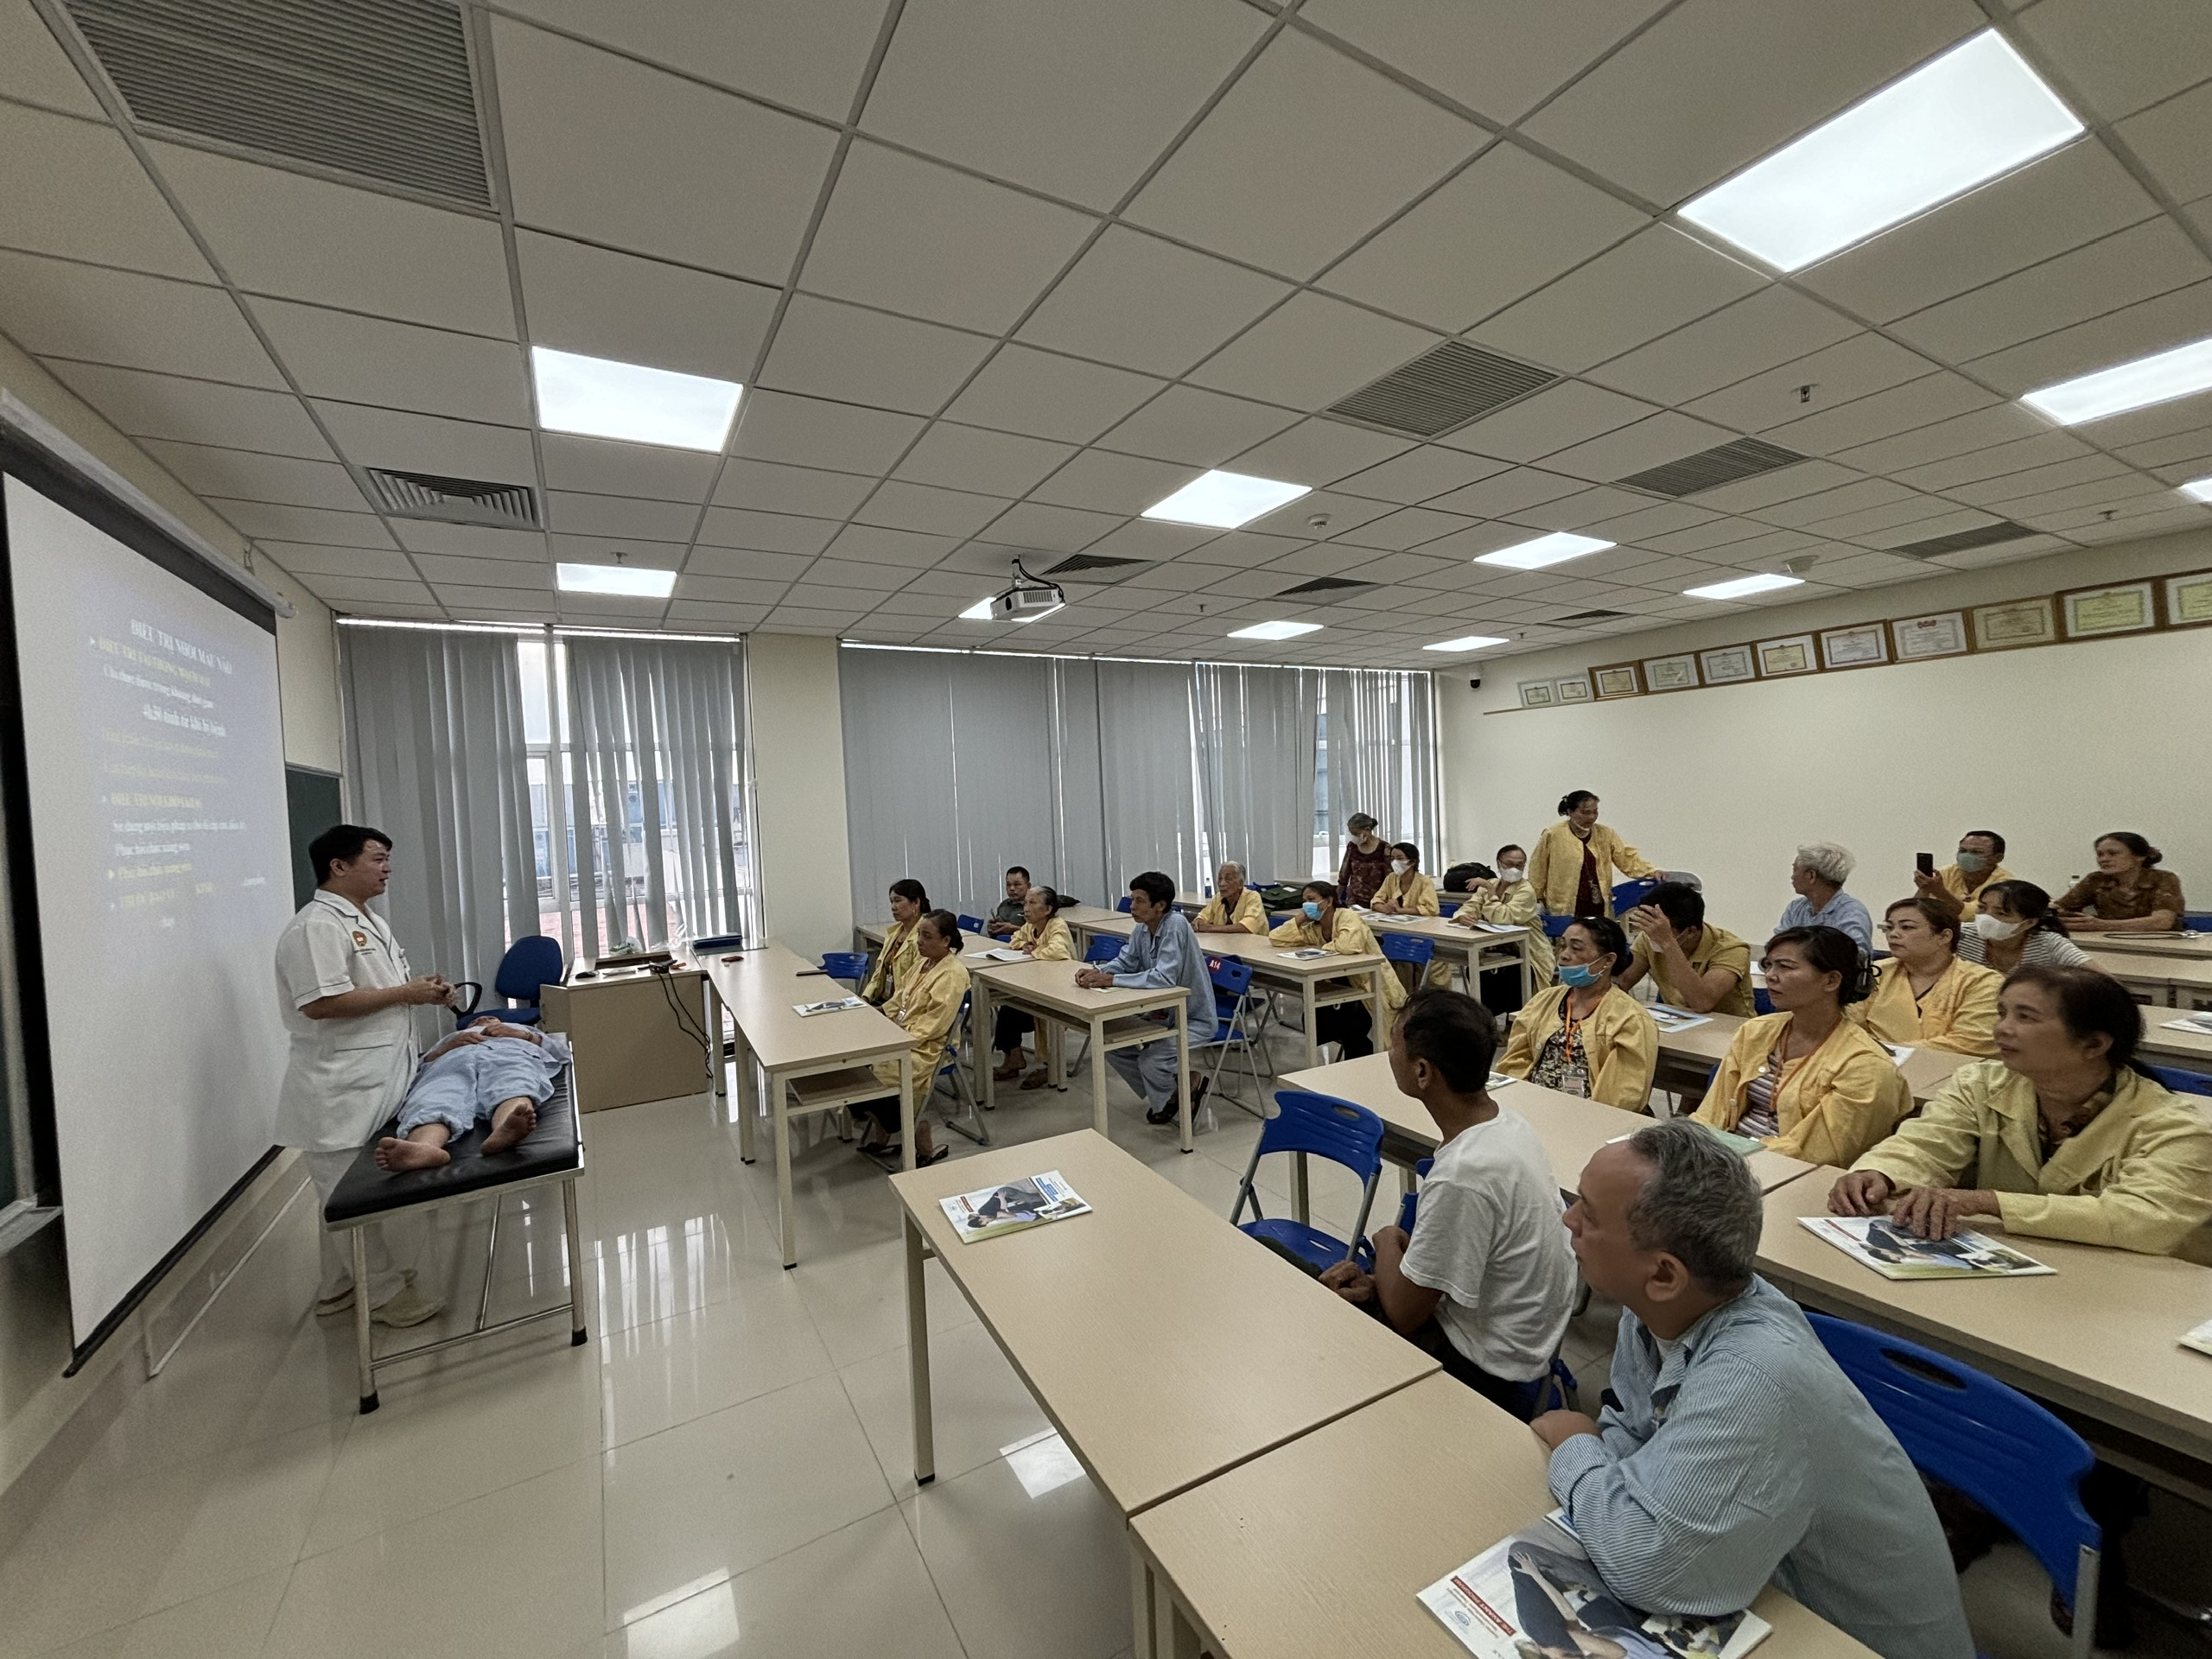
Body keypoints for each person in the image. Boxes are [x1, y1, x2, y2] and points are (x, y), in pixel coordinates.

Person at [1532, 1121, 1975, 1659]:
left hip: (1849, 1637)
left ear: (1665, 1275)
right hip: (1769, 1589)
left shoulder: (1752, 1375)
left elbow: (1648, 1567)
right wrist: (1610, 1470)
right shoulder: (1658, 1309)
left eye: (1589, 1214)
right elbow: (1634, 1432)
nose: (1569, 1218)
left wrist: (1577, 1447)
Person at [1832, 965, 2212, 1257]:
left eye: (2025, 1017)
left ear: (2094, 1044)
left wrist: (1987, 1202)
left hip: (2136, 1285)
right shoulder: (1981, 1083)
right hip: (2027, 1260)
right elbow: (1925, 1144)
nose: (2001, 1029)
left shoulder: (2173, 1127)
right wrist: (1880, 1172)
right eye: (2002, 1013)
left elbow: (2142, 1219)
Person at [1316, 989, 1577, 1417]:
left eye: (1394, 1044)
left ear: (1422, 1071)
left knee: (1314, 1303)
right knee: (1350, 1285)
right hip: (1520, 1338)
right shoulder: (1507, 1124)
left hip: (1485, 1366)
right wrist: (1389, 1277)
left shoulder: (1464, 1174)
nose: (1388, 1053)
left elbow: (1405, 1316)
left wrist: (1387, 1242)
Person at [274, 825, 449, 1327]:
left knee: (339, 1193)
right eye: (377, 858)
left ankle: (338, 1287)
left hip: (375, 1078)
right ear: (339, 866)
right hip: (339, 1087)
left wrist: (420, 989)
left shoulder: (366, 919)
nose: (387, 868)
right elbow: (320, 1003)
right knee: (347, 1196)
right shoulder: (316, 927)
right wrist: (406, 994)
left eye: (388, 858)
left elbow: (376, 988)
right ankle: (384, 1296)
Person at [1693, 926, 1908, 1166]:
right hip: (1725, 1159)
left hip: (1790, 1170)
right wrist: (1693, 1146)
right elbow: (1712, 1114)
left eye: (1785, 967)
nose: (1771, 976)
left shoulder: (1866, 1065)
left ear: (1831, 980)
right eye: (1768, 965)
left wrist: (1732, 1154)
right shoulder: (1756, 1031)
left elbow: (1821, 1152)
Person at [1077, 871, 1214, 1126]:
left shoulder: (1175, 925)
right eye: (1132, 899)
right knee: (1111, 1044)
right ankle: (1178, 1088)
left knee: (1151, 1060)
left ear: (1160, 905)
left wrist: (1112, 980)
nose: (1132, 906)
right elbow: (1126, 961)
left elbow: (1164, 977)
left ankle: (1173, 1096)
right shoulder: (1142, 928)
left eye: (1139, 901)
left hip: (1192, 1019)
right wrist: (1099, 971)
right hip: (1161, 1015)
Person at [1497, 916, 1657, 1113]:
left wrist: (1580, 1118)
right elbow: (1514, 1061)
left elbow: (1622, 1094)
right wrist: (1520, 1104)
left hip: (1590, 1114)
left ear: (1608, 960)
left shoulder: (1630, 1018)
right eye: (1563, 946)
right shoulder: (1544, 1000)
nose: (1564, 955)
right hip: (1534, 1105)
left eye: (1576, 948)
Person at [852, 909, 969, 1166]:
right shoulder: (922, 964)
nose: (919, 942)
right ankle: (887, 1126)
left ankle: (919, 1135)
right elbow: (898, 1001)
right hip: (901, 1034)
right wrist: (876, 1014)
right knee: (851, 1065)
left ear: (946, 941)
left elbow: (934, 1025)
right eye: (919, 935)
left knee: (872, 1075)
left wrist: (895, 1037)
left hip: (927, 1047)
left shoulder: (952, 974)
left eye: (927, 936)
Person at [375, 1020, 573, 1171]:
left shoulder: (519, 1030)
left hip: (508, 1056)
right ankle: (424, 1148)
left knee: (512, 1085)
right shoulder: (451, 1039)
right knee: (435, 1097)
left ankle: (505, 1129)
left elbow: (562, 1053)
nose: (482, 1020)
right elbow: (411, 1071)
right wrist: (442, 1050)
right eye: (475, 1021)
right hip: (451, 1064)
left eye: (490, 1018)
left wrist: (524, 1035)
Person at [1269, 880, 1404, 1060]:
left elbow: (1349, 945)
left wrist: (1322, 949)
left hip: (1368, 986)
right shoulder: (1314, 928)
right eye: (1304, 901)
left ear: (1329, 901)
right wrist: (1301, 918)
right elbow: (1276, 937)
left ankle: (1361, 1061)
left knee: (1352, 1026)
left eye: (1311, 899)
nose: (1307, 905)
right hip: (1338, 989)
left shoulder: (1347, 917)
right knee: (1313, 1021)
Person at [1853, 896, 2000, 1056]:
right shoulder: (1876, 972)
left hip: (1949, 1067)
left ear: (1944, 937)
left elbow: (1971, 1041)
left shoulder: (1983, 982)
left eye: (1907, 927)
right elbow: (1848, 1025)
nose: (1893, 934)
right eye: (1889, 927)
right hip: (1873, 1063)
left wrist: (1891, 1053)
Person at [1617, 881, 1752, 1016]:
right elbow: (1621, 983)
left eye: (1661, 928)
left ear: (1691, 931)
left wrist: (1668, 943)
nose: (1651, 935)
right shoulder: (1651, 936)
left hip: (1730, 1026)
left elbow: (1702, 1003)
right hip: (1676, 1020)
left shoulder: (1732, 949)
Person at [1451, 842, 1555, 1013]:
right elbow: (1472, 905)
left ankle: (1510, 1021)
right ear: (1498, 863)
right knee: (1476, 970)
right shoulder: (1491, 883)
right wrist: (1463, 916)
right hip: (1495, 948)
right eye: (1509, 864)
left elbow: (1502, 918)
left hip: (1528, 952)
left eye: (1520, 865)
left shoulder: (1526, 890)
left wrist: (1490, 891)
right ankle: (1486, 1018)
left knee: (1511, 978)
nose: (1514, 869)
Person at [991, 884, 1076, 1087]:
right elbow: (1015, 940)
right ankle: (1014, 1058)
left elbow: (1057, 952)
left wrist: (1034, 950)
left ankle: (1052, 1067)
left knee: (1017, 1012)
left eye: (1032, 903)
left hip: (1061, 993)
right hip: (1038, 986)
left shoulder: (1057, 925)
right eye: (1026, 903)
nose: (1026, 908)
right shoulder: (1031, 926)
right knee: (1008, 1008)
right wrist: (1026, 945)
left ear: (1047, 909)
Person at [1527, 791, 1656, 920]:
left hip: (1597, 904)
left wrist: (1651, 872)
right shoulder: (1553, 834)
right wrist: (1536, 897)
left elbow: (1627, 858)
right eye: (1586, 812)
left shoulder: (1605, 834)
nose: (1592, 817)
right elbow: (1538, 868)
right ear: (1570, 812)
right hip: (1565, 905)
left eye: (1595, 812)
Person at [2056, 832, 2187, 933]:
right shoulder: (2095, 879)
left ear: (2139, 857)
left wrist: (2101, 925)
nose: (2103, 859)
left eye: (2113, 853)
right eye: (2100, 854)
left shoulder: (2164, 878)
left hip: (2160, 943)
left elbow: (2162, 922)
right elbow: (2061, 907)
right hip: (2109, 941)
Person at [1955, 879, 2091, 972]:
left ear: (2028, 923)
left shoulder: (2050, 944)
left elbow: (2099, 979)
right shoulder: (1960, 935)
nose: (1986, 917)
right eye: (1982, 908)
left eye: (2001, 913)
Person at [1775, 842, 1873, 956]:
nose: (1792, 876)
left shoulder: (1852, 913)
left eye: (1795, 870)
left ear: (1811, 875)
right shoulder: (1795, 908)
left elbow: (1855, 958)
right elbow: (1777, 947)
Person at [1913, 830, 2013, 919]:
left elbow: (1973, 916)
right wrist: (1925, 888)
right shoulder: (1944, 873)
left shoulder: (2006, 884)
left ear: (1998, 858)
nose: (1967, 856)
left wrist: (1939, 891)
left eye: (1976, 852)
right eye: (1963, 851)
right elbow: (1915, 910)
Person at [860, 878, 929, 1005]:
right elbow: (878, 975)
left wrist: (883, 1010)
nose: (893, 907)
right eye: (891, 902)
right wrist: (865, 999)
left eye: (898, 901)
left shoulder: (924, 939)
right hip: (883, 1000)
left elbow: (914, 985)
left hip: (903, 1006)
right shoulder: (894, 934)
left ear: (916, 902)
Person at [1191, 861, 1268, 936]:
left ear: (1240, 883)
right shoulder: (1219, 897)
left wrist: (1210, 928)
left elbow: (1246, 927)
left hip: (1253, 943)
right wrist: (1199, 921)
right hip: (1225, 942)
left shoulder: (1253, 897)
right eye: (1220, 879)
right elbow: (1204, 915)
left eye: (1228, 879)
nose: (1222, 884)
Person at [1335, 813, 1392, 909]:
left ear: (1368, 830)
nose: (1354, 837)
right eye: (1352, 834)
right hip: (1354, 899)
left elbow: (1390, 877)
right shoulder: (1352, 846)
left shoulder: (1385, 848)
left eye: (1356, 834)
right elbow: (1344, 873)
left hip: (1378, 900)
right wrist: (1336, 899)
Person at [1369, 842, 1439, 917]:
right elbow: (1376, 901)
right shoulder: (1391, 878)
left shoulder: (1424, 881)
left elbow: (1431, 909)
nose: (1394, 862)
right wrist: (1385, 908)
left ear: (1412, 862)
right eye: (1392, 859)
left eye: (1400, 858)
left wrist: (1400, 910)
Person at [984, 866, 1031, 939]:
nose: (1011, 888)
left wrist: (1014, 929)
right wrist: (992, 928)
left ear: (1028, 886)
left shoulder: (1034, 907)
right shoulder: (1004, 905)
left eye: (1017, 884)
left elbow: (1040, 935)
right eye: (1008, 885)